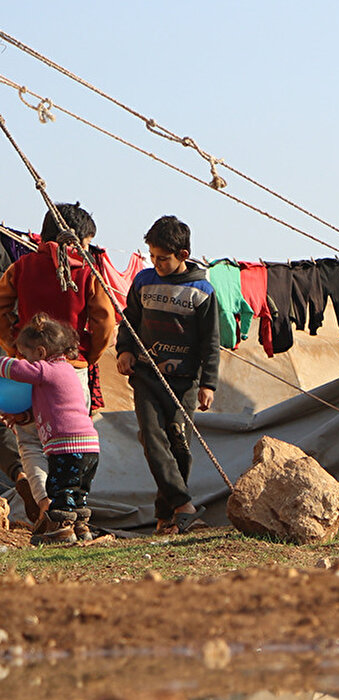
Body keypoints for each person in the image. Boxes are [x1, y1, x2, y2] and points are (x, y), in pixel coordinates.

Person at [0, 203, 116, 522]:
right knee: (70, 440)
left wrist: (14, 345)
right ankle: (70, 509)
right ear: (77, 239)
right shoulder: (85, 271)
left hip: (26, 367)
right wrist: (85, 355)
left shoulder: (21, 267)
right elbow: (105, 321)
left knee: (30, 442)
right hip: (70, 370)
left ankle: (47, 507)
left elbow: (1, 305)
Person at [116, 215, 219, 534]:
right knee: (151, 437)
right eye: (152, 257)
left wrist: (208, 383)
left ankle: (167, 517)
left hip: (184, 382)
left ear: (183, 256)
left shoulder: (202, 291)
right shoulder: (144, 281)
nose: (156, 263)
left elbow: (210, 341)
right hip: (147, 376)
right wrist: (124, 350)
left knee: (180, 446)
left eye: (162, 258)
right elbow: (129, 320)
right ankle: (184, 506)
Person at [0, 314, 101, 544]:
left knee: (59, 491)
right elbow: (51, 408)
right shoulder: (66, 372)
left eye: (26, 355)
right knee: (78, 492)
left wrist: (3, 362)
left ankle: (61, 530)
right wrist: (23, 416)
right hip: (89, 446)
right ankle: (80, 527)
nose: (25, 360)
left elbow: (16, 371)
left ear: (42, 353)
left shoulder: (48, 370)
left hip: (66, 447)